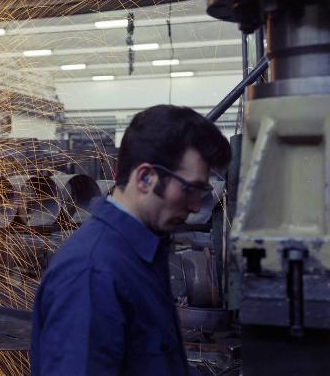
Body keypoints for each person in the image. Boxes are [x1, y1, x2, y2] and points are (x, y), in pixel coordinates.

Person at [31, 105, 231, 376]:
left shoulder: (143, 251)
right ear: (145, 178)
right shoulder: (92, 273)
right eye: (189, 189)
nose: (196, 206)